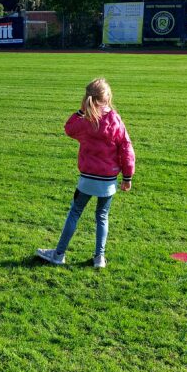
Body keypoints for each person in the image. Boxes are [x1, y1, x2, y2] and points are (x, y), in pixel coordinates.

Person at [36, 78, 135, 269]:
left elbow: (68, 129)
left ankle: (58, 255)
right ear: (108, 97)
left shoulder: (85, 121)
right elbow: (126, 148)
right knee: (102, 216)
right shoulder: (115, 119)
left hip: (87, 178)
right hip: (108, 179)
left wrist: (81, 111)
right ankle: (99, 258)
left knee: (75, 213)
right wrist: (127, 176)